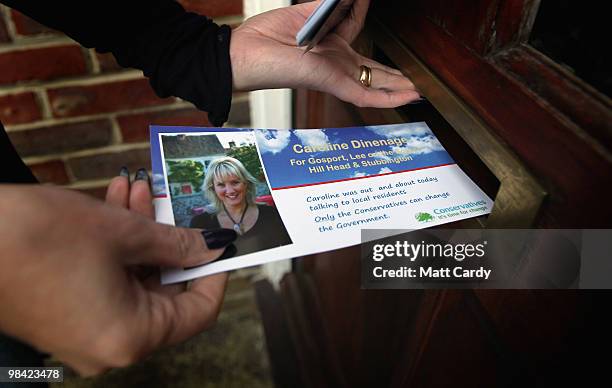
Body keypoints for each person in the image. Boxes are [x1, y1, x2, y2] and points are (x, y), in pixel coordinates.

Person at [0, 0, 419, 376]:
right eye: (221, 182)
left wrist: (204, 52)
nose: (230, 188)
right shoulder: (200, 219)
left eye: (235, 179)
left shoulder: (269, 212)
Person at [190, 157, 292, 257]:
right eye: (221, 185)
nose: (230, 191)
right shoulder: (200, 223)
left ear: (246, 183)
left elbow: (290, 250)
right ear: (213, 189)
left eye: (235, 182)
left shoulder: (271, 214)